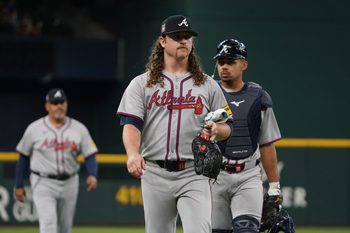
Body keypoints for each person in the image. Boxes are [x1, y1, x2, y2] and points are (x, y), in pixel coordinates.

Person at [117, 15, 232, 233]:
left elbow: (228, 125)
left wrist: (218, 130)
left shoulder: (209, 85)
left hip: (194, 172)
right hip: (154, 172)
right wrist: (132, 153)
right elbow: (131, 124)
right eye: (177, 36)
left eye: (187, 36)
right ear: (162, 41)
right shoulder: (141, 84)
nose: (183, 41)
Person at [210, 39, 283, 233]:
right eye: (220, 62)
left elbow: (267, 144)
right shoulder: (207, 94)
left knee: (247, 230)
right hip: (214, 176)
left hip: (248, 175)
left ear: (244, 64)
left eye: (230, 61)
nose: (224, 66)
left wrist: (274, 186)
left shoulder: (259, 97)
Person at [15, 88, 98, 233]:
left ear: (66, 104)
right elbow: (23, 156)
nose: (58, 106)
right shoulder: (34, 129)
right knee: (49, 226)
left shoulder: (79, 129)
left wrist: (92, 174)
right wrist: (19, 184)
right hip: (43, 182)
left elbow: (90, 155)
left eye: (61, 102)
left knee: (65, 228)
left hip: (70, 182)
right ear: (47, 106)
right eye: (54, 103)